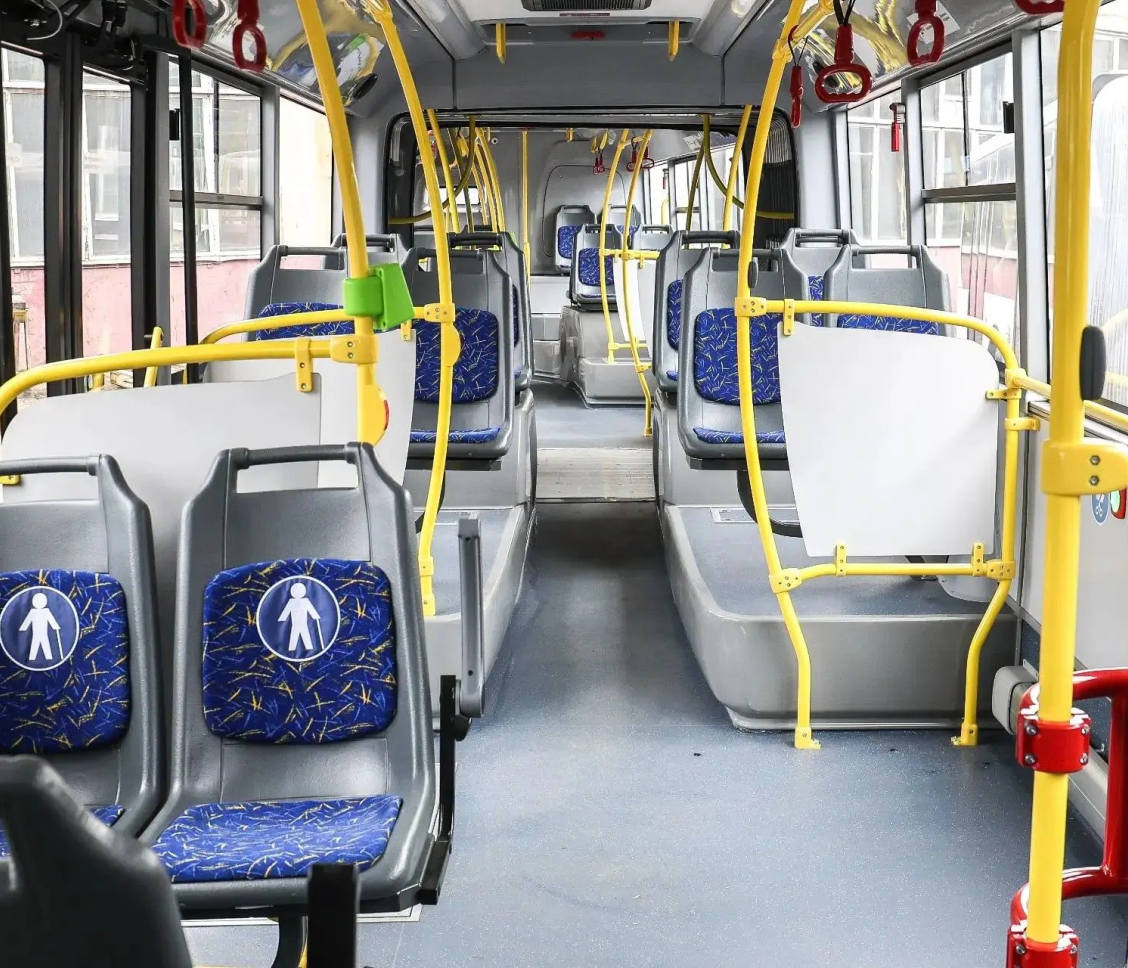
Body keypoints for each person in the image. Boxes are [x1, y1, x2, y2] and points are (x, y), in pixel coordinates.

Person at [277, 582, 322, 654]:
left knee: (305, 634)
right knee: (294, 634)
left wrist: (315, 616)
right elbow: (286, 610)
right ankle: (292, 648)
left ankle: (308, 647)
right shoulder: (291, 602)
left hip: (303, 623)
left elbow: (311, 609)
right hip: (295, 623)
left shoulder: (305, 601)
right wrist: (282, 618)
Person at [20, 592, 61, 663]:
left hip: (43, 632)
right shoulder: (33, 612)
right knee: (35, 644)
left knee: (45, 643)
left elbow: (51, 620)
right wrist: (23, 627)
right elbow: (27, 620)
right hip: (36, 632)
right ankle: (32, 657)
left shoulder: (46, 611)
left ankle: (48, 657)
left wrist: (55, 626)